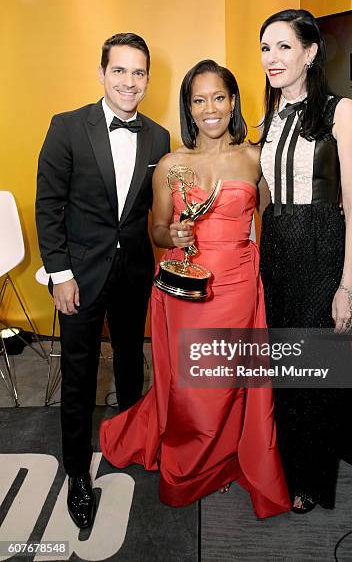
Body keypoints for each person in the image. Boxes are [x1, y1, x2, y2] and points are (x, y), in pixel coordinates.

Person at [100, 59, 291, 519]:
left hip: (240, 284)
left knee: (229, 383)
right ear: (189, 107)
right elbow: (159, 231)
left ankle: (225, 461)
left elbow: (276, 219)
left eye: (219, 97)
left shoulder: (254, 158)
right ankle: (190, 463)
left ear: (232, 103)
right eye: (199, 99)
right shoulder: (170, 164)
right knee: (192, 387)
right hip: (185, 291)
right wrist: (176, 238)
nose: (210, 108)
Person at [36, 33, 170, 529]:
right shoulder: (68, 127)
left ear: (148, 79)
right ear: (102, 73)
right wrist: (60, 274)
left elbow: (151, 214)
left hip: (135, 273)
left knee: (133, 362)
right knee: (80, 372)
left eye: (139, 73)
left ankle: (131, 443)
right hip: (79, 276)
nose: (130, 82)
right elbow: (48, 207)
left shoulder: (158, 137)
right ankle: (76, 473)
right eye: (120, 71)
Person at [258, 9, 352, 512]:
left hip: (321, 242)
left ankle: (312, 479)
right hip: (275, 245)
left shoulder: (340, 111)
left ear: (310, 51)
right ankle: (284, 468)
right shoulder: (268, 118)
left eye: (283, 46)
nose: (272, 58)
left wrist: (348, 286)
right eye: (265, 48)